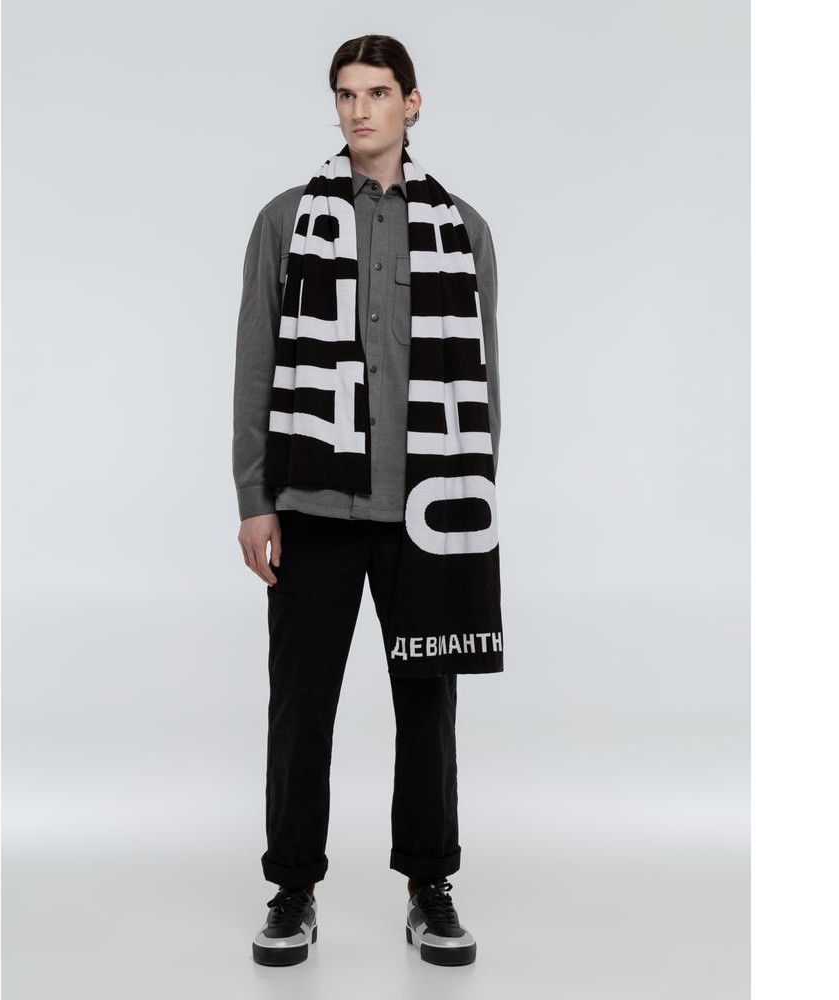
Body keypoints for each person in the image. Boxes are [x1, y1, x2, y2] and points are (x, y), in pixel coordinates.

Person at [232, 34, 502, 967]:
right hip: (313, 504)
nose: (360, 111)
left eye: (378, 93)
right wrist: (255, 497)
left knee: (428, 710)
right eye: (346, 94)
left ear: (412, 103)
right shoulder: (284, 221)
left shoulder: (463, 229)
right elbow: (255, 365)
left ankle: (431, 886)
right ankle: (291, 888)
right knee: (301, 706)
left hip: (429, 509)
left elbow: (483, 383)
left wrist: (475, 503)